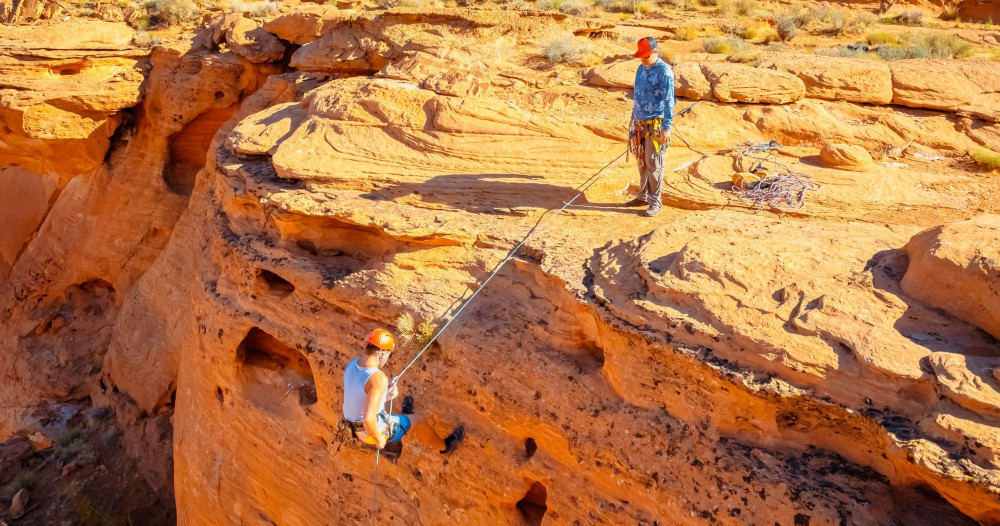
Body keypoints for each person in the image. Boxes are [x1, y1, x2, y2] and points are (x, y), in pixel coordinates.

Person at [342, 328, 464, 454]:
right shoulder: (378, 378)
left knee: (386, 403)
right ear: (383, 353)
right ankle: (445, 447)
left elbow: (358, 395)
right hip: (370, 432)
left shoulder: (353, 363)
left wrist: (386, 395)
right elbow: (368, 419)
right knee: (419, 420)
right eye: (389, 354)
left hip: (354, 426)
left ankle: (405, 418)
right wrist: (379, 440)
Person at [628, 36, 676, 218]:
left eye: (646, 56)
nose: (643, 60)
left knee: (654, 163)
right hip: (639, 123)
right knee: (641, 161)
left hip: (656, 124)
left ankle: (655, 202)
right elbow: (638, 95)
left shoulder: (664, 72)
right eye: (641, 56)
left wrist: (667, 127)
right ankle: (643, 195)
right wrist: (633, 118)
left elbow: (669, 100)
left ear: (655, 52)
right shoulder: (641, 68)